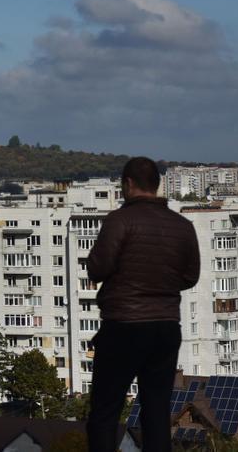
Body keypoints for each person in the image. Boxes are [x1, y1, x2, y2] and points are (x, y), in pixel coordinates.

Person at [85, 157, 200, 452]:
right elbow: (190, 276)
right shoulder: (182, 226)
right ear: (157, 185)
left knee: (105, 412)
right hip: (165, 328)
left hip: (123, 325)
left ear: (128, 184)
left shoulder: (119, 221)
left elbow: (98, 269)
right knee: (157, 412)